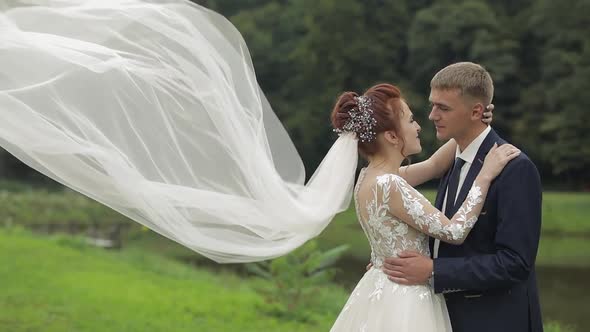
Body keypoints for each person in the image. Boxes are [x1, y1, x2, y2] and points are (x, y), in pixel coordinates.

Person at [329, 82, 521, 331]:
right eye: (410, 121)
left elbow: (433, 166)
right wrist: (483, 176)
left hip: (381, 285)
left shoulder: (369, 178)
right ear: (391, 135)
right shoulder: (390, 184)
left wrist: (471, 126)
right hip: (406, 298)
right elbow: (453, 231)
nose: (419, 126)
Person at [380, 62, 543, 332]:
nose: (432, 115)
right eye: (433, 105)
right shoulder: (452, 159)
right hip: (447, 317)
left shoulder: (516, 169)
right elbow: (443, 233)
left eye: (443, 108)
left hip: (495, 322)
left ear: (477, 111)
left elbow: (516, 263)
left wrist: (434, 271)